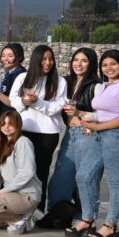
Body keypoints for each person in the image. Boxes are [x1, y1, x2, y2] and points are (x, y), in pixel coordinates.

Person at [73, 50, 119, 237]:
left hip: (117, 136)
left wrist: (98, 126)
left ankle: (110, 226)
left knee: (115, 181)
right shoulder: (106, 86)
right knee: (83, 175)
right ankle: (88, 219)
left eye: (113, 64)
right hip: (100, 135)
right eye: (105, 65)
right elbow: (102, 113)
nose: (109, 68)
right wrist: (87, 119)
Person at [9, 44, 66, 211]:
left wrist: (36, 102)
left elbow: (55, 108)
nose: (47, 63)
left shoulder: (59, 81)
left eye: (50, 59)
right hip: (24, 131)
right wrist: (24, 102)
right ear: (36, 61)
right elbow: (13, 101)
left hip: (48, 134)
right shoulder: (23, 78)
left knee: (41, 172)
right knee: (22, 170)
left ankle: (38, 210)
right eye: (44, 59)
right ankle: (19, 207)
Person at [45, 47, 100, 219]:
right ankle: (57, 214)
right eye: (76, 60)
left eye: (84, 60)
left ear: (91, 64)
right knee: (61, 178)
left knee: (86, 178)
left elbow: (105, 114)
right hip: (70, 134)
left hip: (88, 134)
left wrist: (83, 117)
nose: (79, 64)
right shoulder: (65, 82)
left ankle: (85, 217)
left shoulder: (96, 85)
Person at [0, 109, 41, 234]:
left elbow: (27, 172)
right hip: (12, 194)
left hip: (26, 195)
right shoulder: (6, 143)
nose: (6, 127)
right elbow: (11, 169)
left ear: (18, 125)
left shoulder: (23, 143)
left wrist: (4, 190)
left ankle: (24, 217)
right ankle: (19, 219)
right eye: (3, 124)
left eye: (10, 123)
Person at [0, 43, 25, 120]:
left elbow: (16, 102)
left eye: (10, 56)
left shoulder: (21, 76)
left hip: (11, 119)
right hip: (2, 117)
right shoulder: (9, 74)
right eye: (3, 55)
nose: (5, 59)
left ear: (19, 57)